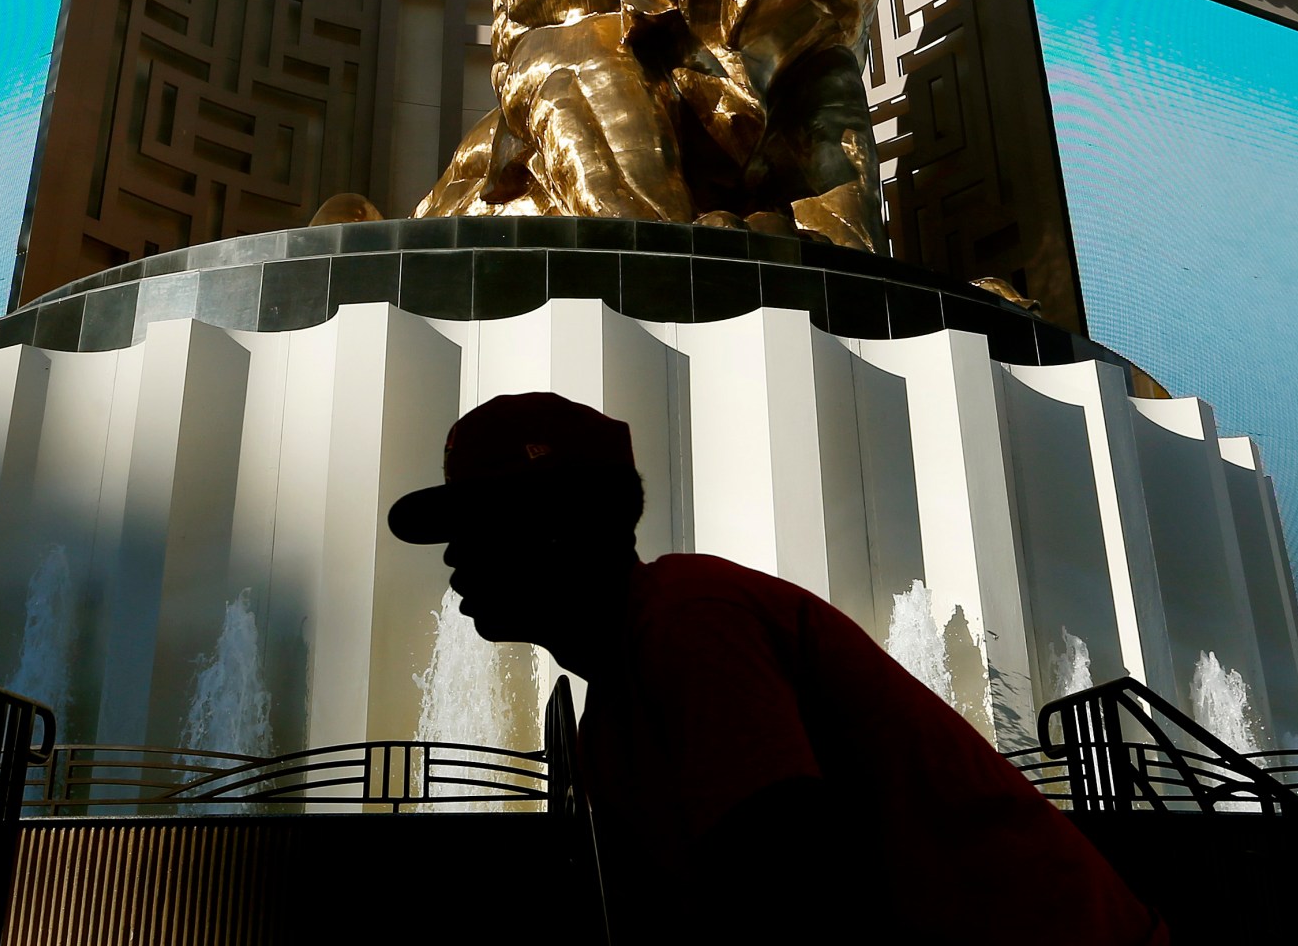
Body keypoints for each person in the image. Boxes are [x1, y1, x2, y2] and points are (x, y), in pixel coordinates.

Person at [388, 392, 1167, 944]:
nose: (454, 557)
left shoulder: (689, 620)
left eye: (479, 526)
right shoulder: (618, 701)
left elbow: (783, 881)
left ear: (562, 529)